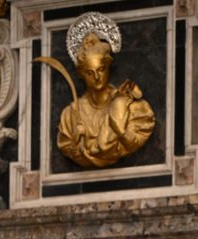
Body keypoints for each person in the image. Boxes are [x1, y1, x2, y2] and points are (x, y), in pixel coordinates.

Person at [57, 32, 155, 169]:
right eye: (90, 73)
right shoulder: (70, 115)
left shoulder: (129, 105)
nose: (97, 77)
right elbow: (68, 148)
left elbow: (136, 140)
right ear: (81, 75)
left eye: (101, 69)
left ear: (108, 68)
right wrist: (76, 139)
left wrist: (120, 131)